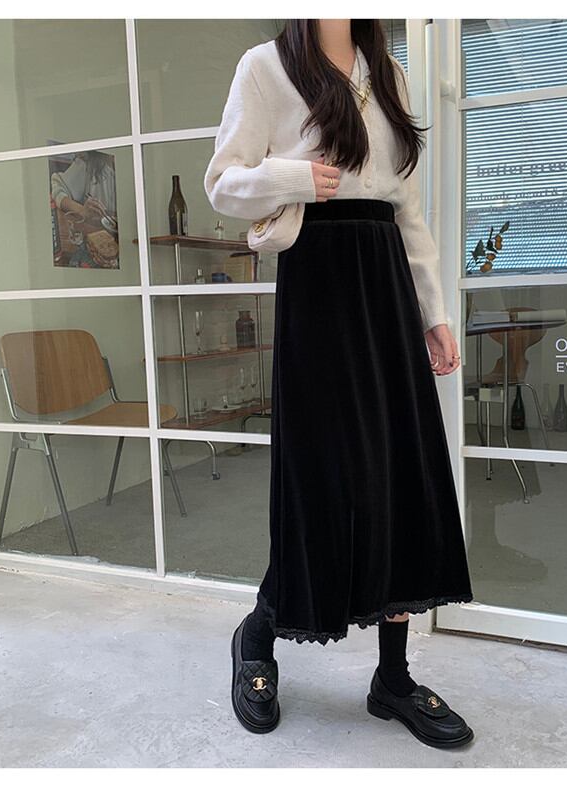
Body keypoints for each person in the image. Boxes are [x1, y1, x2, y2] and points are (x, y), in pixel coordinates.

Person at [204, 19, 475, 749]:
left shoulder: (389, 71)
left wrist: (433, 312)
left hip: (386, 284)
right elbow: (222, 183)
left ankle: (393, 679)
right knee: (322, 482)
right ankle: (258, 633)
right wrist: (295, 177)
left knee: (399, 477)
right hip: (318, 281)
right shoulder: (265, 67)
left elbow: (406, 206)